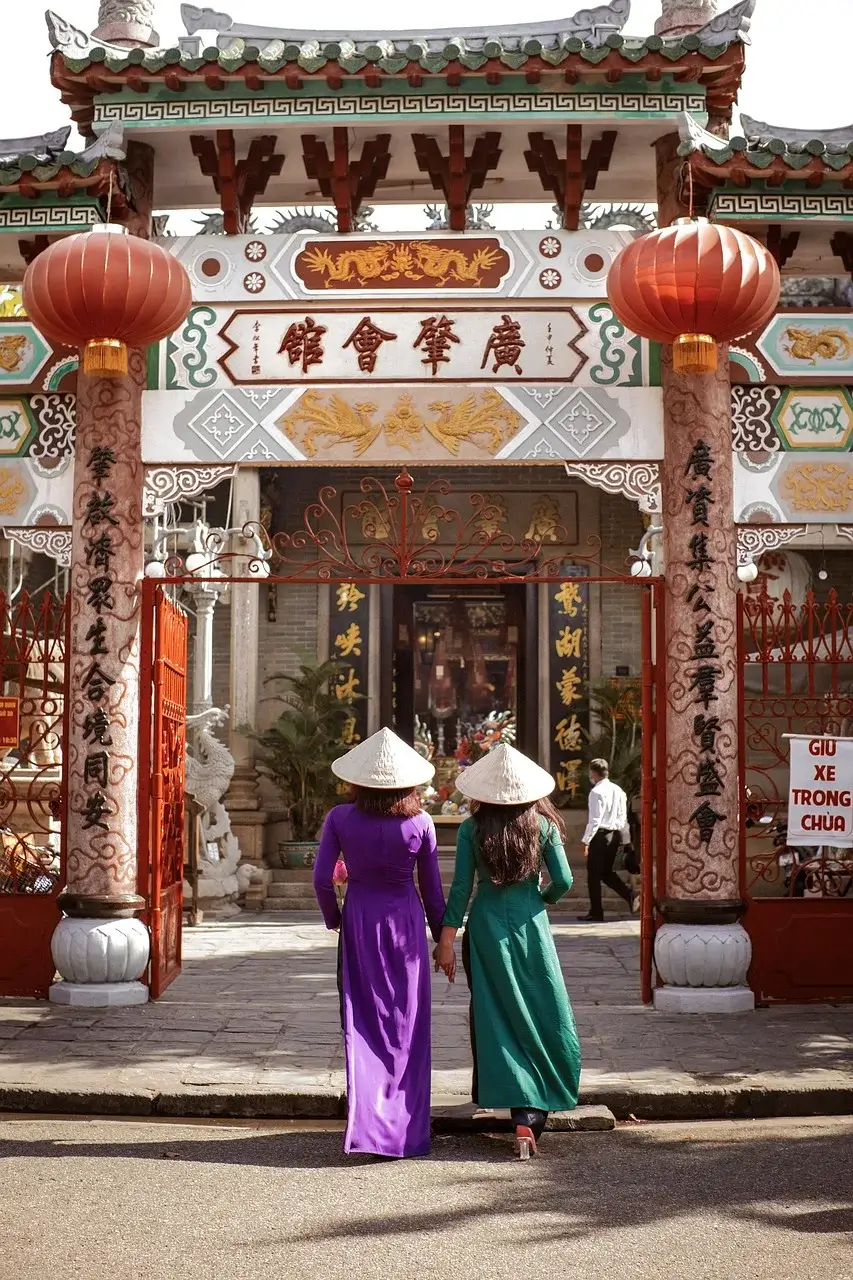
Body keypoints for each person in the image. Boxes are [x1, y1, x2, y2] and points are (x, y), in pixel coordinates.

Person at [433, 743, 581, 1159]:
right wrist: (541, 899)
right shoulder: (544, 826)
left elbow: (461, 889)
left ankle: (513, 1104)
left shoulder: (471, 828)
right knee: (542, 1008)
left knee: (494, 1013)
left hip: (483, 925)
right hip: (530, 923)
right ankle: (530, 1115)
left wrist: (446, 939)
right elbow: (565, 880)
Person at [313, 727, 446, 1159]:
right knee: (406, 1024)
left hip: (360, 917)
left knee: (362, 1020)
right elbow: (432, 890)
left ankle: (368, 1129)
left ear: (357, 781)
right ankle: (408, 1133)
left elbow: (320, 879)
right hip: (405, 921)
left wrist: (335, 918)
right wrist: (445, 936)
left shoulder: (339, 818)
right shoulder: (420, 823)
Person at [577, 757, 637, 923]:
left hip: (600, 836)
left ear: (593, 773)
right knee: (606, 873)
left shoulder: (596, 792)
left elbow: (595, 820)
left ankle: (596, 911)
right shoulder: (618, 790)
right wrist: (626, 841)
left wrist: (586, 841)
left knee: (594, 875)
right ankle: (630, 896)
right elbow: (623, 818)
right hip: (615, 836)